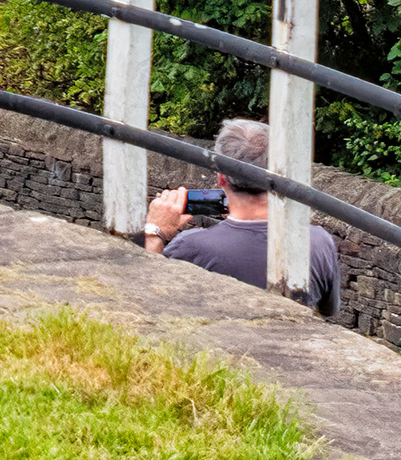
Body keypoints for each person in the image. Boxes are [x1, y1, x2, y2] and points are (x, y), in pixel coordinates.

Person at [145, 117, 341, 317]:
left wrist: (155, 231)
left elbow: (146, 300)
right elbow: (328, 311)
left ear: (221, 177)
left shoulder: (189, 247)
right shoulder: (319, 241)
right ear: (281, 175)